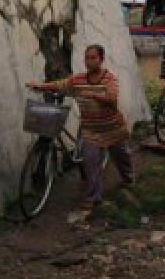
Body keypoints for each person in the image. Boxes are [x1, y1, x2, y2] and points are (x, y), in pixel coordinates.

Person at [25, 44, 134, 207]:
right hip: (90, 129)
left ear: (101, 59)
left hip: (111, 127)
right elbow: (61, 84)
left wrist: (96, 95)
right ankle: (93, 196)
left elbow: (112, 98)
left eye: (93, 58)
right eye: (86, 58)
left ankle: (128, 176)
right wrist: (40, 86)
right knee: (89, 160)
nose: (89, 61)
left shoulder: (109, 79)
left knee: (120, 155)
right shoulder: (78, 80)